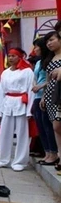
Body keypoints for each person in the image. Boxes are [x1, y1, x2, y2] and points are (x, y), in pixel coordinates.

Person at [0, 48, 34, 172]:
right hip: (7, 103)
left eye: (13, 56)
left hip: (22, 102)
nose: (10, 58)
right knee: (4, 132)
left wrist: (29, 110)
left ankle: (20, 161)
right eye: (9, 56)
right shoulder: (5, 73)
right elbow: (1, 92)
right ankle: (3, 159)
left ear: (20, 57)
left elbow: (31, 90)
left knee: (22, 133)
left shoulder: (27, 71)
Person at [32, 38, 58, 164]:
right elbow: (35, 77)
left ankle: (53, 152)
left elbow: (50, 79)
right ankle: (47, 152)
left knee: (48, 125)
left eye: (37, 46)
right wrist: (34, 85)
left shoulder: (50, 60)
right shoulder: (38, 62)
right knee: (41, 125)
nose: (35, 49)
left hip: (47, 94)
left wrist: (40, 87)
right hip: (37, 96)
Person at [40, 31, 61, 173]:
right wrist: (43, 97)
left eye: (52, 40)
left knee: (58, 126)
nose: (49, 43)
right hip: (51, 95)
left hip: (60, 94)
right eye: (47, 41)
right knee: (55, 127)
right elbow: (47, 81)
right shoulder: (50, 58)